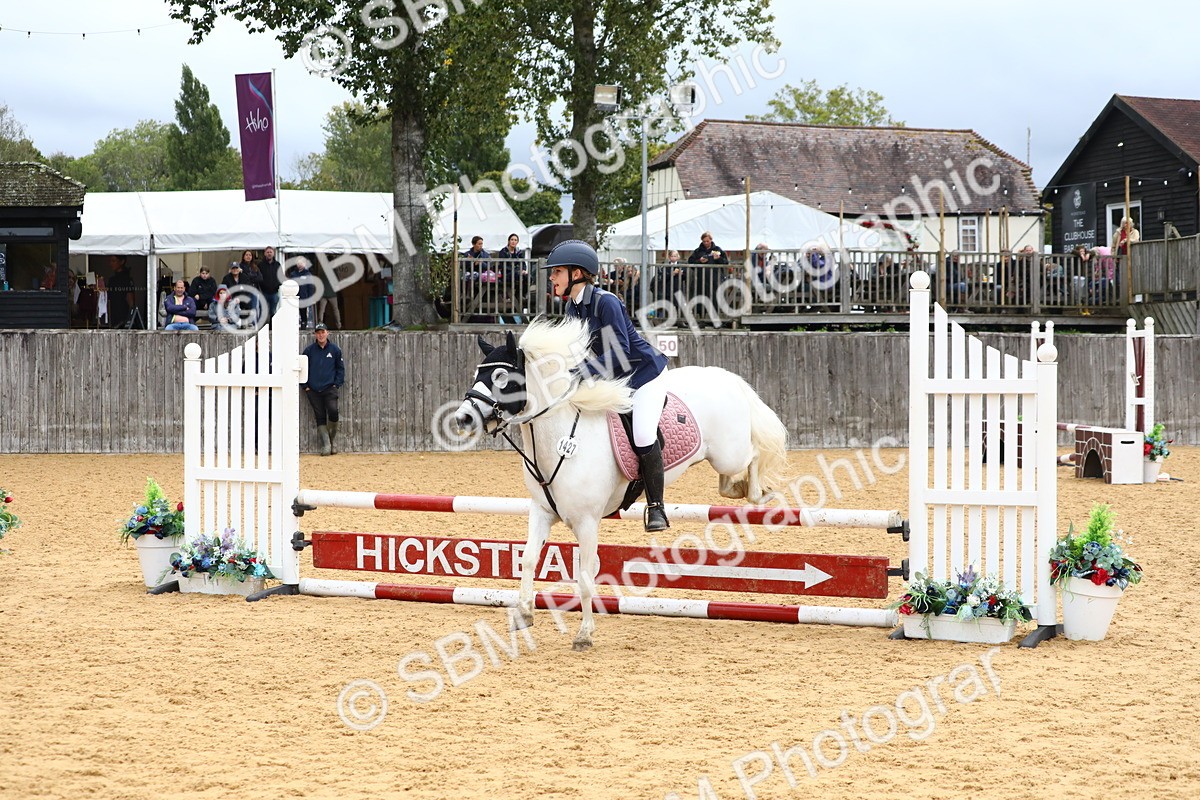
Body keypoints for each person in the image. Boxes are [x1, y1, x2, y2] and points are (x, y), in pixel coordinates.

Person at [542, 240, 671, 532]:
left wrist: (581, 372)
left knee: (641, 435)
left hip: (645, 375)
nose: (552, 277)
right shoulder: (573, 310)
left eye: (557, 272)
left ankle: (656, 507)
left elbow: (620, 353)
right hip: (615, 377)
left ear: (577, 273)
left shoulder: (605, 302)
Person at [301, 323, 345, 456]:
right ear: (315, 334)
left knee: (333, 411)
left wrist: (336, 384)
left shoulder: (335, 350)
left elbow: (340, 369)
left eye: (322, 332)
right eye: (318, 332)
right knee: (319, 416)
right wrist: (306, 386)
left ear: (327, 333)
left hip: (329, 388)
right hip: (313, 390)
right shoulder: (309, 351)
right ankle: (326, 445)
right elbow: (302, 368)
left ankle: (332, 440)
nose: (320, 335)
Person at [286, 255, 316, 329]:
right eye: (298, 263)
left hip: (304, 296)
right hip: (294, 297)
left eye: (301, 263)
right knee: (293, 312)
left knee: (303, 313)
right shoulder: (293, 274)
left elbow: (311, 287)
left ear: (305, 263)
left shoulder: (308, 274)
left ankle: (303, 326)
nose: (300, 264)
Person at [106, 255, 134, 328]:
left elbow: (131, 301)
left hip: (123, 318)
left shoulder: (127, 279)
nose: (111, 264)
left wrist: (129, 319)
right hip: (112, 316)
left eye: (114, 261)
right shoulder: (112, 280)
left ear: (122, 261)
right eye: (110, 261)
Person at [315, 258, 342, 330]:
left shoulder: (322, 271)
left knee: (322, 310)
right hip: (332, 293)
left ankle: (320, 324)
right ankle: (338, 325)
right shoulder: (334, 272)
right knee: (335, 309)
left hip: (323, 294)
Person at [259, 246, 283, 318]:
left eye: (270, 252)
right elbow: (258, 278)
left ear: (273, 253)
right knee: (263, 310)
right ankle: (263, 326)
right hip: (264, 292)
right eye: (267, 252)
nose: (269, 254)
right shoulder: (260, 265)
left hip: (274, 292)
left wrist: (277, 285)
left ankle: (272, 327)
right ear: (265, 253)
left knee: (273, 311)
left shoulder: (277, 265)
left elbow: (281, 277)